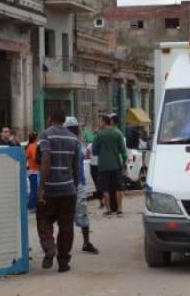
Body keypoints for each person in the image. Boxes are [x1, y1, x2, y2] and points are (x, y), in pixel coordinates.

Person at [37, 109, 79, 273]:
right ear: (64, 121)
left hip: (50, 189)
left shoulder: (46, 135)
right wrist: (74, 185)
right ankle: (63, 262)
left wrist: (41, 187)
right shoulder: (73, 138)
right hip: (68, 189)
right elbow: (76, 166)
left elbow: (46, 158)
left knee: (43, 219)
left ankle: (49, 247)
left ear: (50, 118)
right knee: (66, 225)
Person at [64, 116, 99, 255]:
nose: (77, 130)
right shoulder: (74, 143)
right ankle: (80, 243)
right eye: (76, 128)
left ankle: (83, 242)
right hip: (74, 183)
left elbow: (83, 156)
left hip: (73, 182)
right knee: (74, 213)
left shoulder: (77, 143)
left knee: (75, 213)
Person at [92, 115, 127, 217]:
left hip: (103, 166)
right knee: (118, 188)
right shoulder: (117, 133)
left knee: (105, 188)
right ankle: (120, 209)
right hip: (116, 164)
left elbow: (94, 151)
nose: (99, 124)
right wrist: (123, 162)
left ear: (104, 122)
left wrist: (102, 152)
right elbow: (122, 150)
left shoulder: (99, 135)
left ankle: (108, 210)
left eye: (100, 121)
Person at [25, 132, 40, 212]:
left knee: (33, 189)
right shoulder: (34, 146)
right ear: (36, 138)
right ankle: (31, 206)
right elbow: (35, 158)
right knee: (34, 189)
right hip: (34, 170)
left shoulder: (29, 146)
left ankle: (31, 206)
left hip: (31, 170)